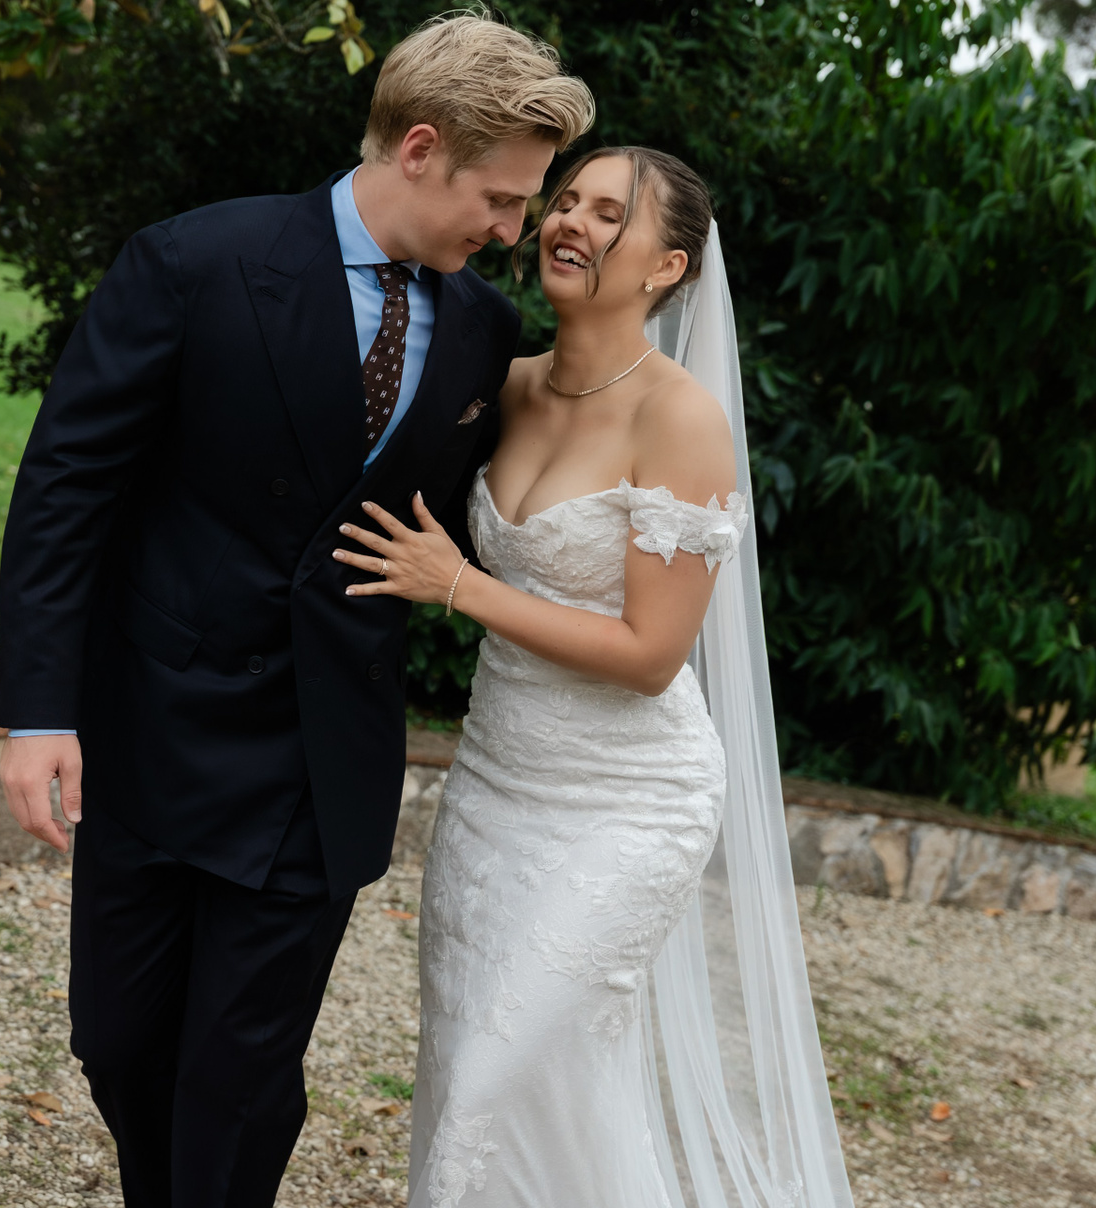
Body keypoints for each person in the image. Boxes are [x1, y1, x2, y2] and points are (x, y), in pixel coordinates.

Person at [0, 12, 595, 1208]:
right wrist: (40, 710)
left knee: (243, 1073)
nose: (511, 231)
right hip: (158, 721)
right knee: (118, 1040)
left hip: (323, 758)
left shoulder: (484, 329)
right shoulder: (194, 261)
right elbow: (67, 487)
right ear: (419, 148)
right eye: (501, 198)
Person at [341, 148, 855, 1206]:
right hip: (494, 789)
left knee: (499, 1072)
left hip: (627, 799)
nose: (570, 220)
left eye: (609, 213)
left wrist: (459, 586)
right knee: (484, 1065)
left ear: (667, 267)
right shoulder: (508, 384)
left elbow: (650, 654)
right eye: (566, 199)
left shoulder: (680, 419)